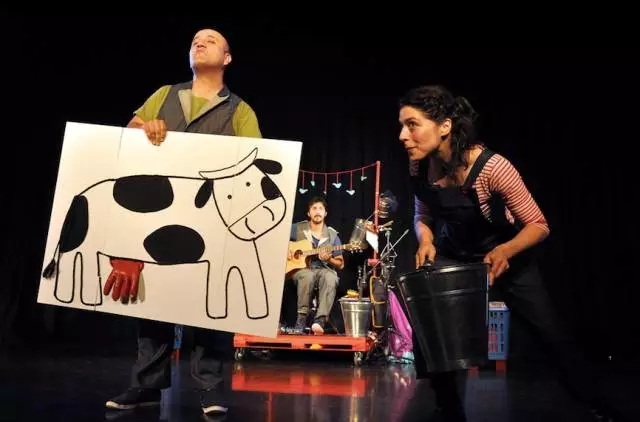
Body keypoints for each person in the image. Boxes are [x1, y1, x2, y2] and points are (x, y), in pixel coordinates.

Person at [398, 84, 623, 421]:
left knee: (550, 333)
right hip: (455, 251)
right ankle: (448, 409)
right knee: (432, 320)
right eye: (402, 125)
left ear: (444, 126)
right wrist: (426, 240)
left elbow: (538, 224)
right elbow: (422, 215)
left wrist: (505, 250)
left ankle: (598, 404)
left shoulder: (493, 168)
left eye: (412, 124)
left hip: (507, 253)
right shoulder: (420, 166)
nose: (403, 135)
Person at [104, 28, 262, 417]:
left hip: (210, 220)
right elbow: (128, 136)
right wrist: (145, 129)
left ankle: (210, 388)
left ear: (227, 58)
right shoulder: (165, 95)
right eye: (195, 40)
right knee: (153, 299)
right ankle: (146, 385)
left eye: (210, 40)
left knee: (209, 303)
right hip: (159, 211)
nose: (199, 42)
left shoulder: (239, 110)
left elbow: (255, 162)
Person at [287, 196, 344, 334]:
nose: (317, 211)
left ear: (325, 213)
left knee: (331, 277)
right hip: (300, 270)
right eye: (314, 208)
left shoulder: (332, 235)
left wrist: (329, 259)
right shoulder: (297, 228)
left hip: (322, 270)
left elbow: (340, 264)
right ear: (309, 213)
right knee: (308, 275)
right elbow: (277, 234)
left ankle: (320, 321)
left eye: (320, 208)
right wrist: (286, 250)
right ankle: (301, 321)